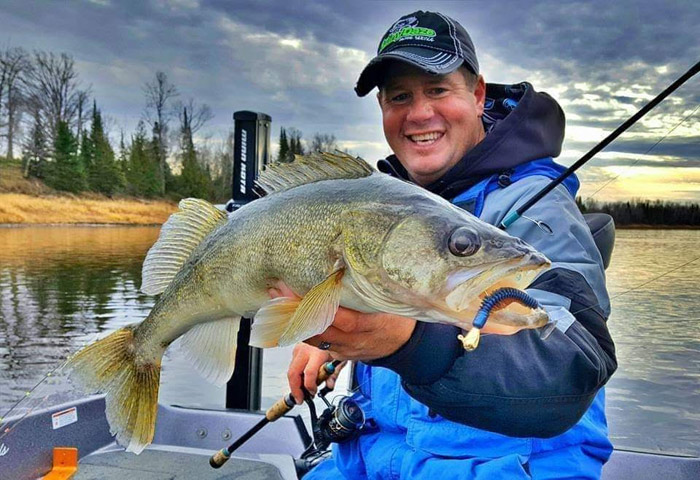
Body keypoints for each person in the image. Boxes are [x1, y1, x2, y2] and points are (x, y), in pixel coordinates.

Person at [274, 10, 617, 479]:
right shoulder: (384, 210)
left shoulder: (539, 209)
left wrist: (407, 341)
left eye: (437, 89)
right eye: (400, 96)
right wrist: (335, 339)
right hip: (373, 460)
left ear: (477, 96)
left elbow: (567, 370)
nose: (419, 113)